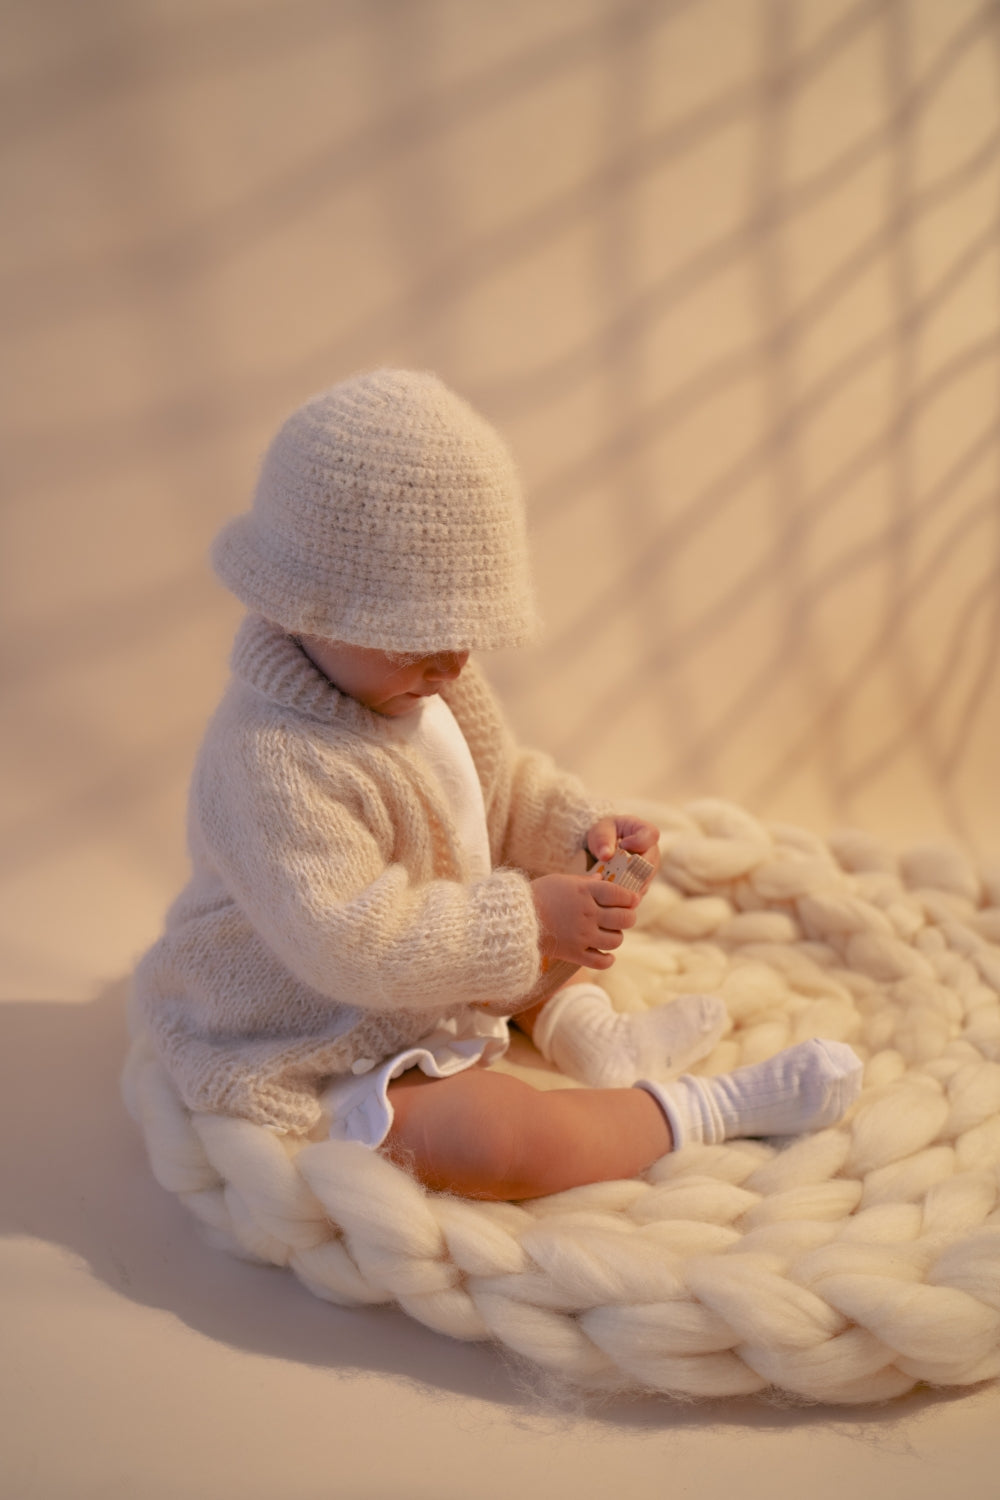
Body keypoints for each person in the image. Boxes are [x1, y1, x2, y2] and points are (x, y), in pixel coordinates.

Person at [133, 369, 862, 1202]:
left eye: (466, 633)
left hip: (437, 964)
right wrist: (527, 917)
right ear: (303, 609)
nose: (451, 664)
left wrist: (580, 839)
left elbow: (499, 788)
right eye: (414, 638)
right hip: (311, 1020)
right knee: (493, 1140)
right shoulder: (270, 759)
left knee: (557, 935)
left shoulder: (427, 681)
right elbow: (349, 942)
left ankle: (593, 1038)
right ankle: (705, 1110)